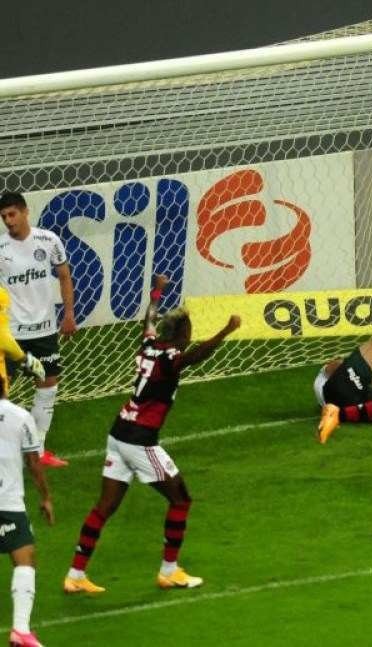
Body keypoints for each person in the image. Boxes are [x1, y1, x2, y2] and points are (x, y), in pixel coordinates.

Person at [63, 276, 240, 593]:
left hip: (117, 434)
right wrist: (226, 331)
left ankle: (75, 576)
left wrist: (157, 292)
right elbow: (195, 357)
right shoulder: (171, 357)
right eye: (189, 331)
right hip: (139, 442)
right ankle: (169, 571)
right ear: (181, 334)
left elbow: (148, 319)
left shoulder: (149, 345)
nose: (191, 334)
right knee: (181, 499)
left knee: (105, 506)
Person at [0, 191, 78, 468]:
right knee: (2, 396)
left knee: (48, 387)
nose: (8, 221)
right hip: (11, 335)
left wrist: (68, 314)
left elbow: (65, 276)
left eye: (12, 214)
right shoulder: (0, 248)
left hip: (44, 331)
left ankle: (39, 450)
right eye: (4, 216)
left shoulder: (49, 240)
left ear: (24, 212)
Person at [0, 288, 53, 647]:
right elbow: (34, 463)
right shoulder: (19, 418)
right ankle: (20, 629)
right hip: (8, 501)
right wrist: (46, 497)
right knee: (24, 556)